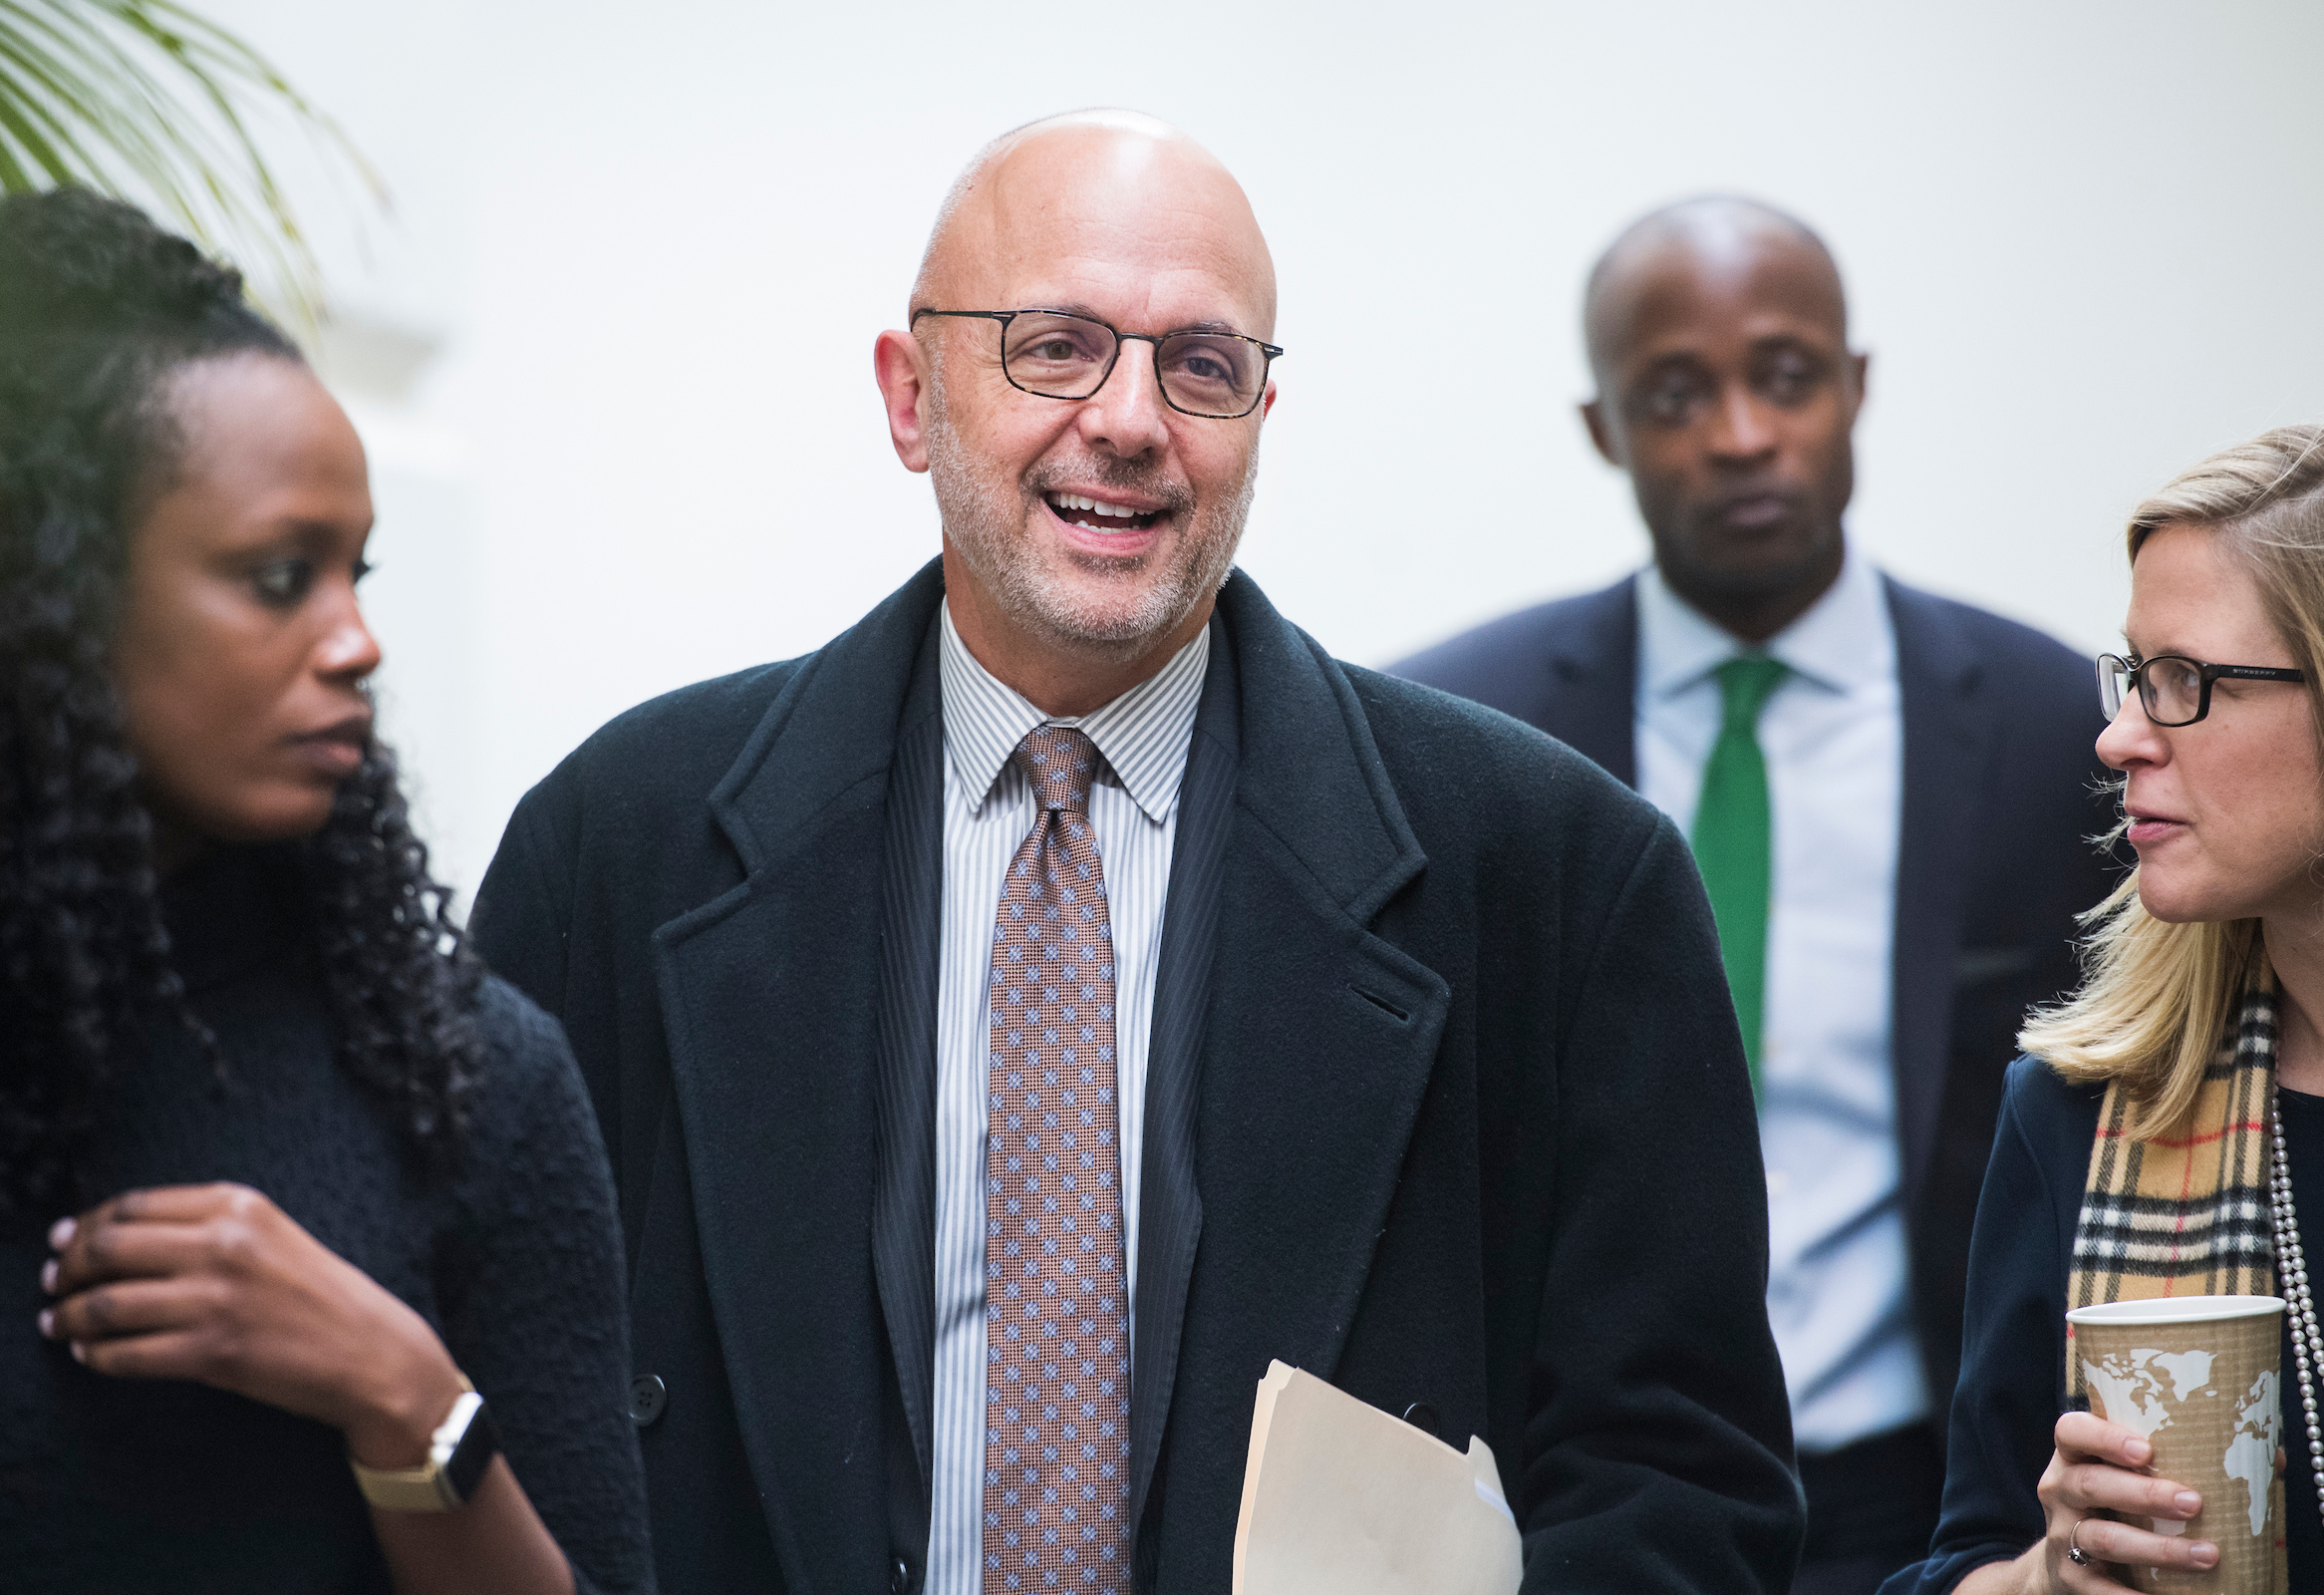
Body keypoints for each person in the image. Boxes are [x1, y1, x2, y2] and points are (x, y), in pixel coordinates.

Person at [469, 109, 1802, 1594]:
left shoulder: (1559, 881)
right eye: (1055, 346)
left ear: (1258, 425)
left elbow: (1681, 1493)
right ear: (911, 398)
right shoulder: (615, 849)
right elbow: (494, 1421)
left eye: (1202, 365)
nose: (1128, 418)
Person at [0, 188, 654, 1595]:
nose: (357, 642)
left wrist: (399, 1391)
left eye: (357, 573)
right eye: (279, 579)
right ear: (48, 598)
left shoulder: (469, 1080)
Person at [1390, 196, 2115, 1592]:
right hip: (1583, 1507)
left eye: (1784, 376)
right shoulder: (1456, 738)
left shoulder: (2055, 733)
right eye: (1674, 392)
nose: (1738, 434)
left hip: (1933, 1503)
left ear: (1854, 387)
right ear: (1603, 428)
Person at [1885, 425, 2324, 1593]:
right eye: (2135, 676)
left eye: (2188, 683)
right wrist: (2050, 1571)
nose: (2121, 734)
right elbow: (1960, 1564)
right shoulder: (2083, 1110)